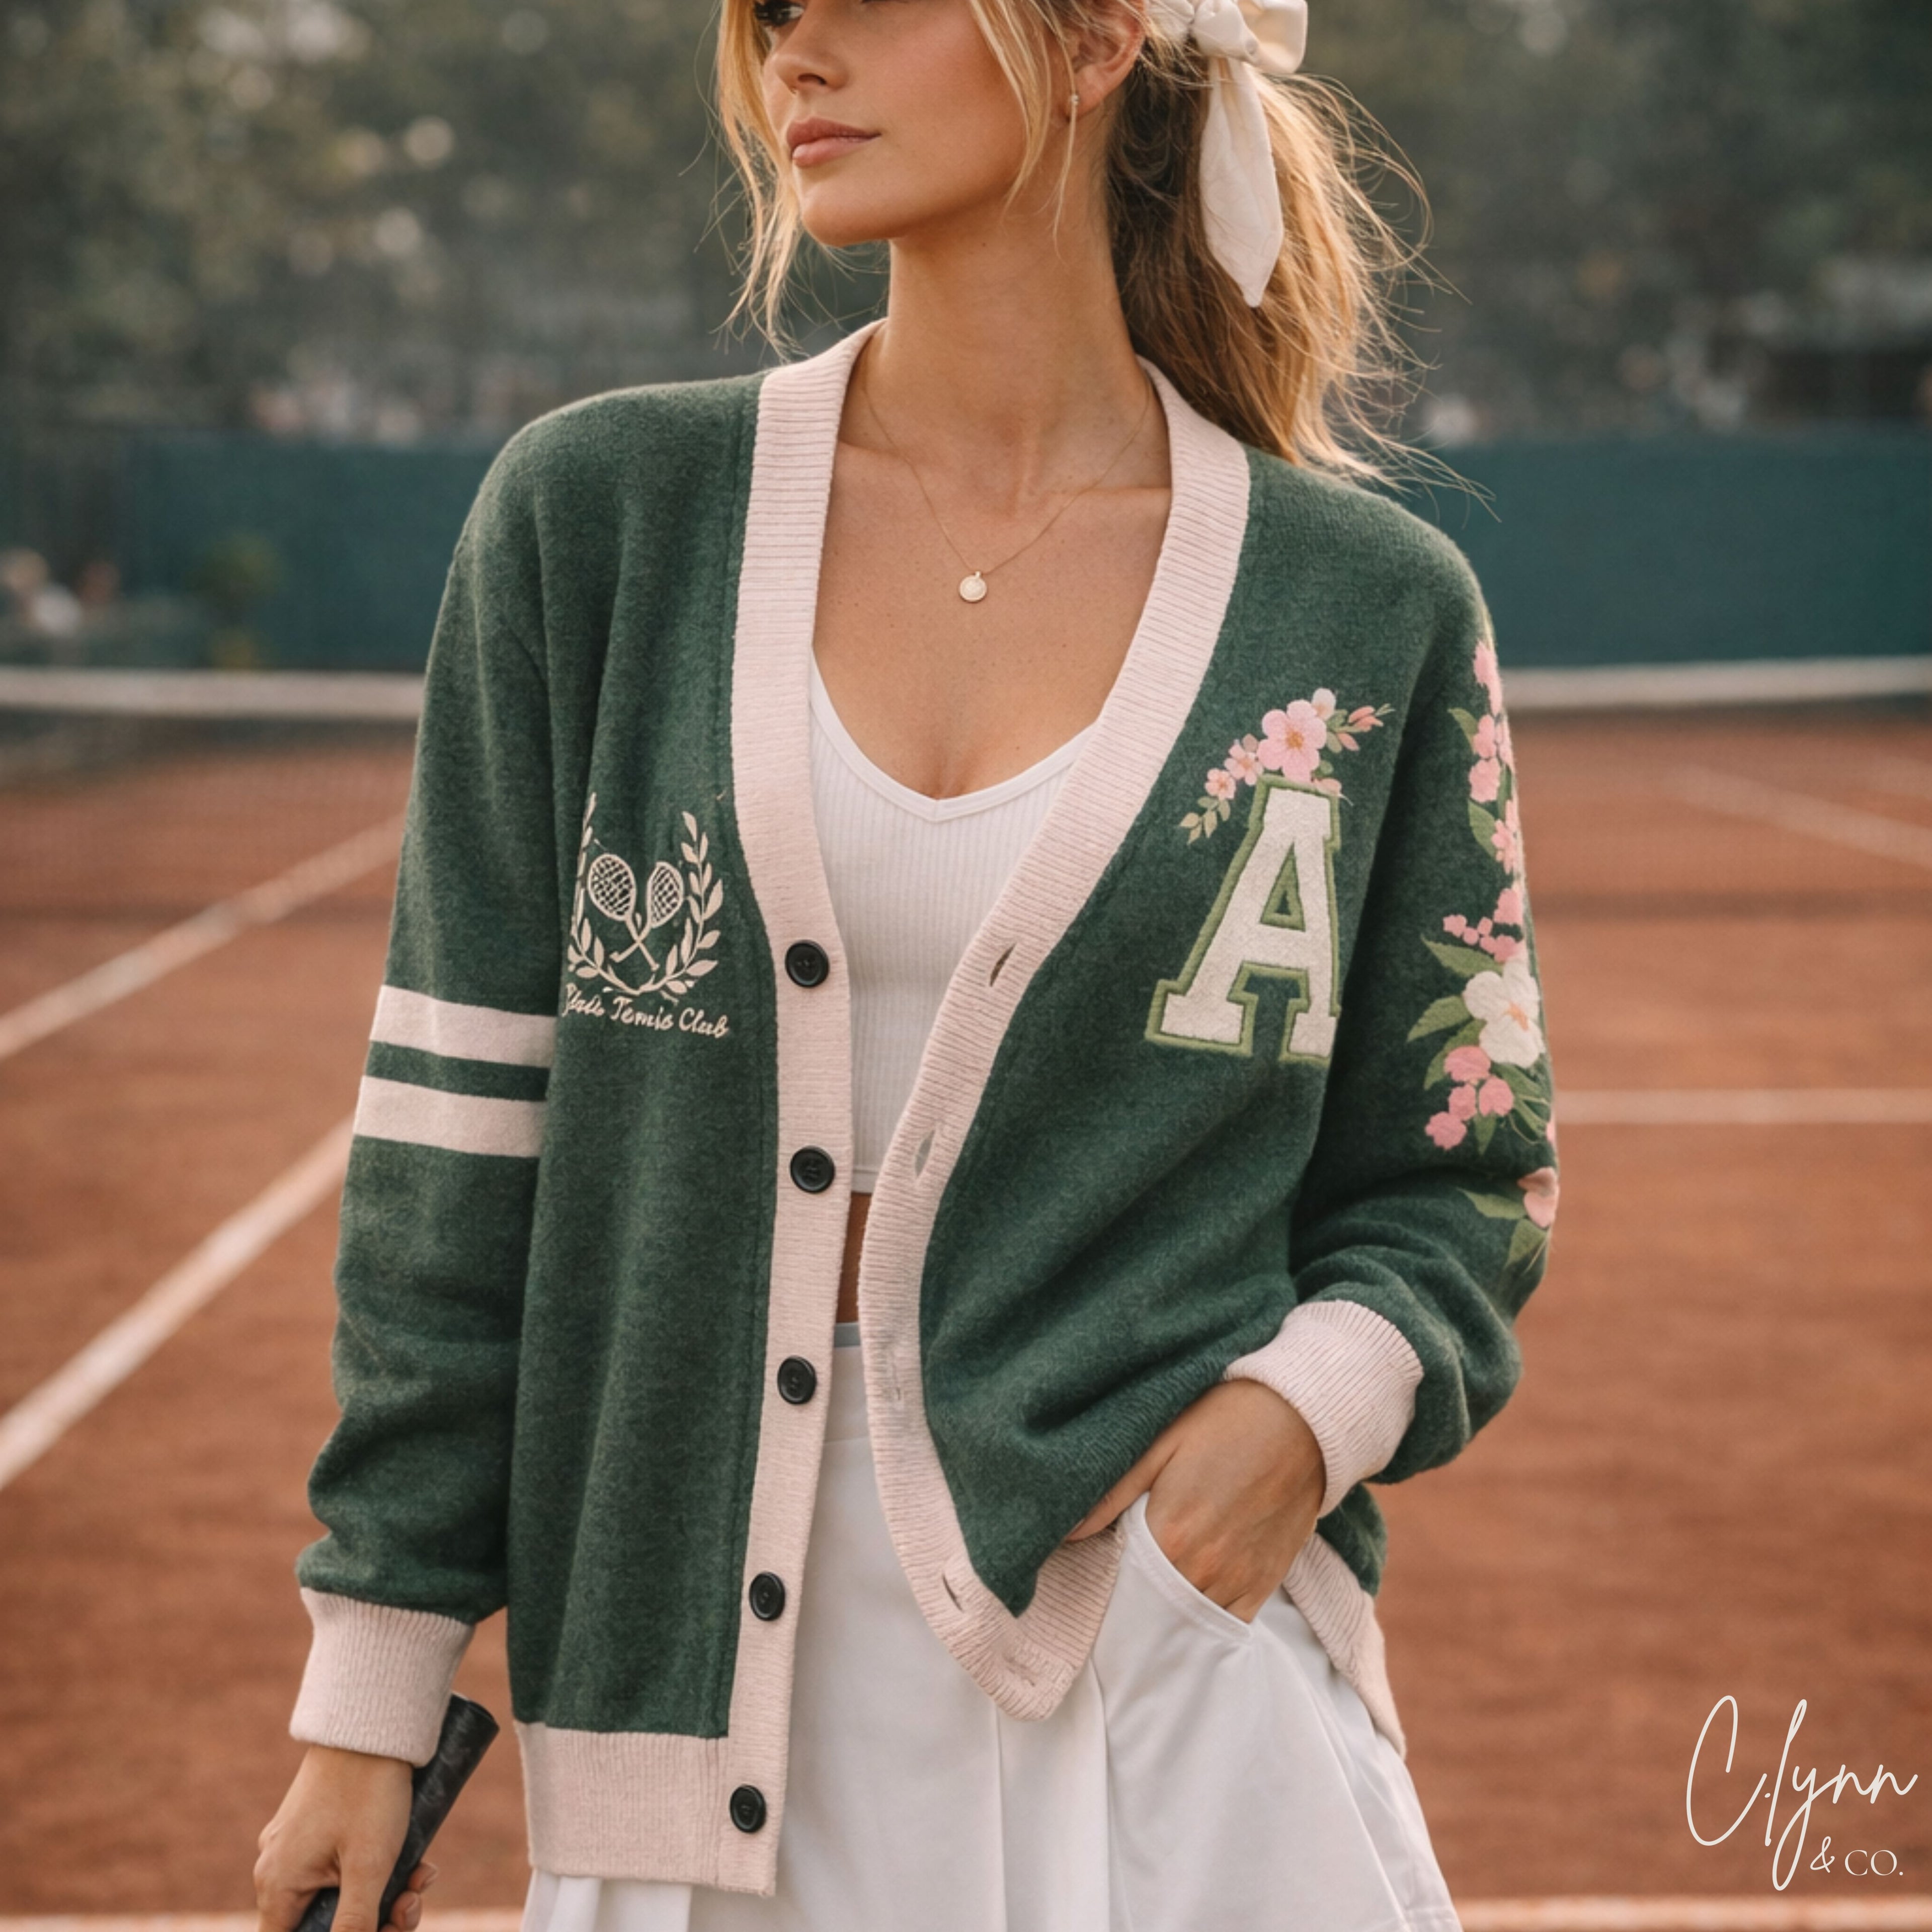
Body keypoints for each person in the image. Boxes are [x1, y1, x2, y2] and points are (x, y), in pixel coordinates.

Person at [254, 0, 1559, 1922]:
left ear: (1106, 34)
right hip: (679, 1700)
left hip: (1161, 1666)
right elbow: (461, 1150)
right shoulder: (597, 522)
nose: (796, 56)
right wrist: (369, 1697)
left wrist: (1302, 1420)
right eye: (769, 15)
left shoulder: (1365, 608)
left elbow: (1467, 1168)